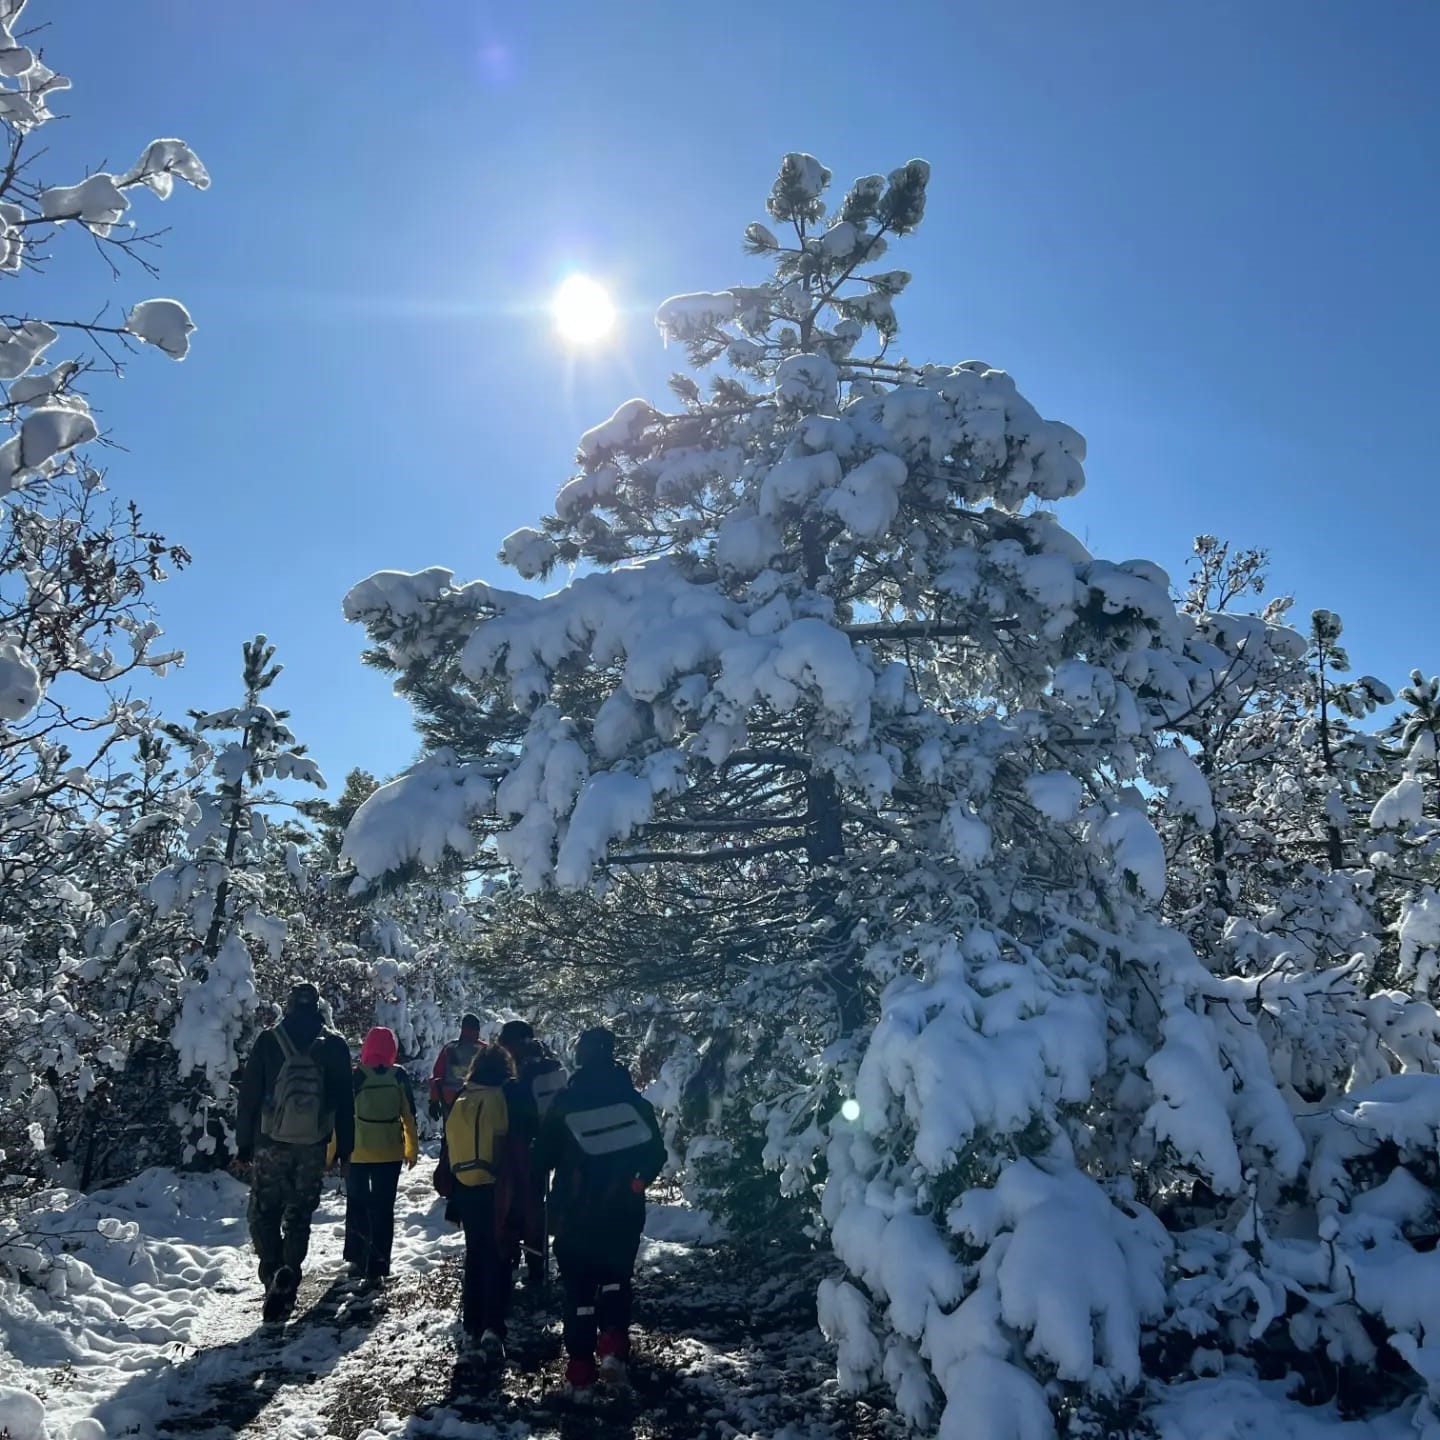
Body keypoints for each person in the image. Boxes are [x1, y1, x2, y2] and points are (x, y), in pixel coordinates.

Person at [534, 1027, 665, 1402]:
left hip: (575, 1212)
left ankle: (579, 1371)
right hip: (623, 1209)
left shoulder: (565, 1102)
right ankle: (612, 1348)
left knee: (577, 1288)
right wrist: (639, 1182)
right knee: (616, 1278)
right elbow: (655, 1153)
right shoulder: (633, 1101)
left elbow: (541, 1158)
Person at [234, 980, 354, 1321]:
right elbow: (346, 1101)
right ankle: (290, 1274)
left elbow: (249, 1097)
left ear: (288, 1005)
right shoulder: (334, 1045)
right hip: (313, 1145)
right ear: (317, 1006)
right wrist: (346, 1149)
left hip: (270, 1143)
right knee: (299, 1216)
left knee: (263, 1213)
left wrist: (244, 1144)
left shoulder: (269, 1040)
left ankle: (273, 1273)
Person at [446, 1045, 513, 1361]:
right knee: (498, 1256)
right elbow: (500, 1142)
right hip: (490, 1186)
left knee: (475, 1255)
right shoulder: (497, 1097)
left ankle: (470, 1325)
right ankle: (492, 1326)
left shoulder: (463, 1096)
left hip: (464, 1186)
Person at [340, 1026, 419, 1285]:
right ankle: (379, 1264)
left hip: (358, 1152)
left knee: (357, 1205)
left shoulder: (356, 1076)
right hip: (390, 1153)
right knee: (383, 1208)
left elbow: (341, 1118)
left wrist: (333, 1152)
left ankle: (356, 1258)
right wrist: (411, 1149)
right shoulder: (399, 1075)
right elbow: (408, 1116)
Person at [507, 1036, 567, 1288]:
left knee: (520, 1205)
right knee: (538, 1207)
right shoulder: (555, 1072)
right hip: (553, 1144)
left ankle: (520, 1260)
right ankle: (539, 1264)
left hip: (524, 1150)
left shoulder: (519, 1079)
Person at [429, 1012, 484, 1120]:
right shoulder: (484, 1050)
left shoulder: (450, 1048)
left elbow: (437, 1077)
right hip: (478, 1103)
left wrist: (434, 1100)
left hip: (450, 1101)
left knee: (452, 1134)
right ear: (477, 1030)